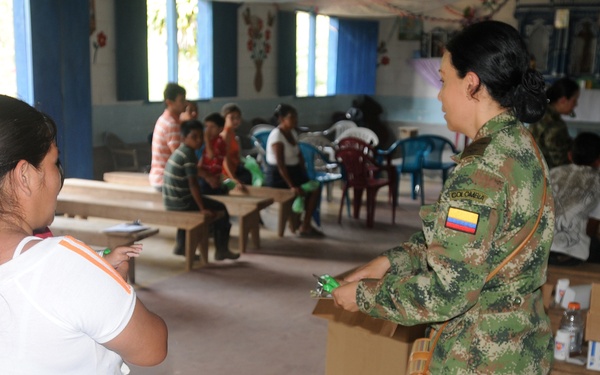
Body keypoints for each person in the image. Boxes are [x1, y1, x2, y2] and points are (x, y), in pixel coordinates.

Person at [332, 21, 554, 374]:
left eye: (444, 80)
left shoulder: (480, 174)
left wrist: (363, 296)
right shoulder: (519, 148)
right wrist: (390, 263)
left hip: (479, 359)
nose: (439, 94)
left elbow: (448, 292)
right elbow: (462, 243)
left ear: (472, 84)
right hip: (520, 350)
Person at [0, 95, 167, 373]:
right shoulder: (61, 262)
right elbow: (153, 346)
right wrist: (111, 287)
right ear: (25, 176)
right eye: (55, 162)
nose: (58, 177)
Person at [163, 119, 240, 261]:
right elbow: (193, 184)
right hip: (182, 203)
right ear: (184, 137)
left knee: (203, 202)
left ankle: (181, 246)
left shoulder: (181, 151)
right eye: (194, 137)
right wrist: (202, 207)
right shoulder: (189, 155)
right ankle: (221, 250)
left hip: (170, 201)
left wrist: (208, 176)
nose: (199, 140)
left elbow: (195, 171)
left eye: (200, 136)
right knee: (221, 208)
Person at [265, 104, 323, 237]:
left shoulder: (292, 132)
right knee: (300, 191)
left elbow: (299, 155)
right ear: (281, 119)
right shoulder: (277, 137)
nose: (295, 120)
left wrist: (304, 174)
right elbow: (280, 165)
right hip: (279, 176)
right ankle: (298, 223)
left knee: (314, 188)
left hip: (293, 172)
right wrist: (292, 185)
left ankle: (304, 224)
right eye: (292, 117)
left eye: (296, 117)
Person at [548, 132, 600, 266]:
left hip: (537, 247)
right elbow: (592, 226)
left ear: (569, 155)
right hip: (570, 254)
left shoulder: (553, 173)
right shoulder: (597, 180)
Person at [528, 77, 580, 169]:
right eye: (574, 100)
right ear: (563, 100)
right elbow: (560, 163)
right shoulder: (555, 125)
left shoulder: (540, 113)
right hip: (547, 176)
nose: (576, 105)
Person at [149, 82, 187, 189]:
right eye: (181, 101)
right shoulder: (172, 124)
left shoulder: (164, 119)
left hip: (158, 178)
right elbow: (180, 158)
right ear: (169, 102)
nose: (185, 104)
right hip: (166, 180)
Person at [220, 103, 252, 190]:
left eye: (238, 117)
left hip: (235, 170)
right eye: (232, 118)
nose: (235, 121)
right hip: (226, 175)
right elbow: (225, 161)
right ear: (224, 119)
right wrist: (234, 179)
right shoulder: (225, 135)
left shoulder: (232, 134)